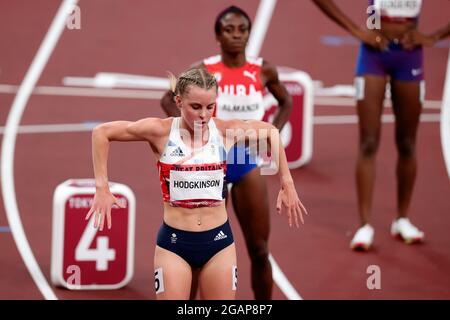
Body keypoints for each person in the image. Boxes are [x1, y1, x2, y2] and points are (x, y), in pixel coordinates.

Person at [85, 68, 307, 300]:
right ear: (179, 102)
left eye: (210, 107)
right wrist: (102, 187)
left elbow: (271, 132)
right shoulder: (160, 132)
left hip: (219, 244)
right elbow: (102, 133)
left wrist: (287, 182)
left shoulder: (224, 131)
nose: (204, 115)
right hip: (174, 245)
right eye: (196, 107)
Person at [160, 5, 293, 299]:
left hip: (243, 160)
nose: (236, 35)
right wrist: (189, 138)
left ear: (249, 33)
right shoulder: (203, 69)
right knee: (197, 248)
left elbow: (287, 102)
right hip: (208, 164)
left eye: (242, 29)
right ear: (217, 35)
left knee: (259, 249)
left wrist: (271, 134)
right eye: (229, 30)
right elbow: (169, 100)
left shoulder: (263, 69)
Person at [312, 0, 450, 250]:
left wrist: (435, 36)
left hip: (409, 56)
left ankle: (402, 219)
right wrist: (356, 30)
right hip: (374, 55)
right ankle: (365, 225)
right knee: (368, 142)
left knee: (407, 143)